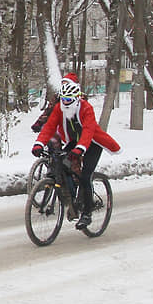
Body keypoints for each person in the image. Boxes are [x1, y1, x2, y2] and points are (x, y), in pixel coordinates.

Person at [32, 73, 121, 230]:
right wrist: (39, 144)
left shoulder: (86, 108)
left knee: (86, 176)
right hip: (74, 141)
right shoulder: (60, 108)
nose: (65, 103)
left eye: (68, 100)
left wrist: (80, 149)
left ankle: (87, 213)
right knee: (62, 164)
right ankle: (71, 194)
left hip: (92, 142)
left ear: (76, 98)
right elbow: (50, 126)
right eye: (63, 99)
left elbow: (88, 131)